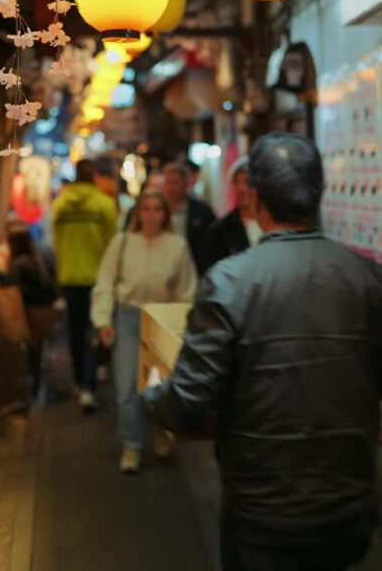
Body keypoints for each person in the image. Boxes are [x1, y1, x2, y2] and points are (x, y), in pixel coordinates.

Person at [144, 132, 382, 571]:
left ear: (253, 197)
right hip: (349, 510)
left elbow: (189, 404)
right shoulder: (367, 278)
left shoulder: (230, 281)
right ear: (319, 193)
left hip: (262, 516)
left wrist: (154, 392)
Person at [91, 189, 197, 473]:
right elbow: (105, 281)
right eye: (146, 209)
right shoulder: (122, 242)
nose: (151, 215)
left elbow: (186, 289)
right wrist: (103, 319)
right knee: (126, 385)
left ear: (165, 214)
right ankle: (132, 444)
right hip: (127, 316)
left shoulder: (177, 246)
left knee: (157, 387)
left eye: (157, 209)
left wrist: (183, 325)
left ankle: (161, 430)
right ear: (138, 213)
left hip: (163, 315)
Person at [52, 158, 117, 411]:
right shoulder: (104, 204)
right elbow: (112, 244)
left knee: (76, 332)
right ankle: (90, 383)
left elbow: (55, 241)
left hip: (70, 277)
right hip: (98, 277)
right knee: (96, 330)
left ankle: (80, 381)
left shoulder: (61, 204)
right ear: (95, 177)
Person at [0, 220, 58, 400]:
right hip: (43, 310)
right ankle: (34, 387)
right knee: (36, 351)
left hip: (30, 311)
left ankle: (30, 391)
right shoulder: (38, 258)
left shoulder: (20, 263)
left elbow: (16, 286)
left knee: (30, 352)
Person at [202, 155, 261, 270]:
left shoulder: (275, 224)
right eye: (236, 182)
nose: (241, 188)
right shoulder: (219, 231)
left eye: (247, 181)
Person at [162, 161, 215, 276]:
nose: (170, 188)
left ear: (185, 184)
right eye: (168, 182)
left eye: (175, 183)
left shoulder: (202, 212)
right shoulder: (156, 210)